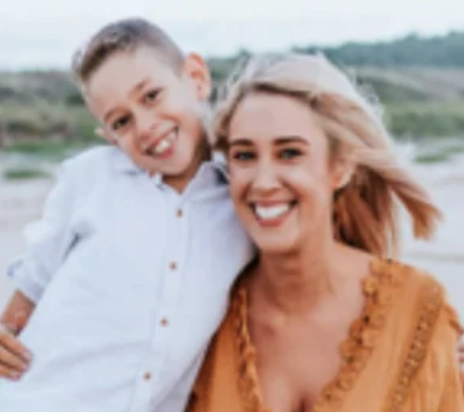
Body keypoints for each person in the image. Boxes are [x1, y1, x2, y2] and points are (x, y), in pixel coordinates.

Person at [0, 18, 253, 412]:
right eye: (121, 121)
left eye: (151, 96)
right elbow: (28, 294)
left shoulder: (242, 199)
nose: (146, 126)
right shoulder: (92, 179)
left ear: (196, 77)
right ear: (109, 136)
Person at [187, 53, 464, 412]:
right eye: (244, 156)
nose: (263, 181)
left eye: (289, 153)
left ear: (341, 167)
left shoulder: (418, 315)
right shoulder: (200, 321)